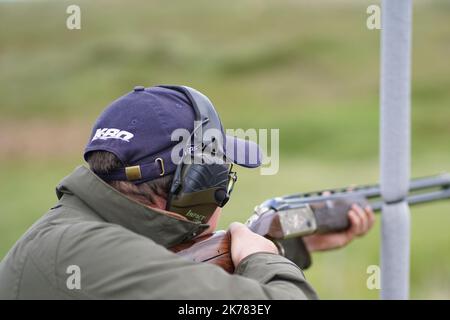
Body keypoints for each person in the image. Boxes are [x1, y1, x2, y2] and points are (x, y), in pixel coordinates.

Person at [0, 85, 374, 299]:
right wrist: (267, 261)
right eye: (218, 182)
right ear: (192, 187)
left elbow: (182, 279)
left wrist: (292, 245)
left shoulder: (72, 236)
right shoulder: (86, 252)